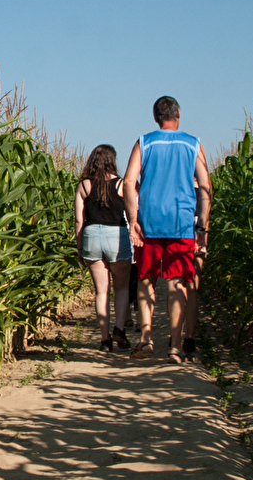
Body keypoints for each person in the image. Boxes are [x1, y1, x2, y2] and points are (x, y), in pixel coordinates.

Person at [123, 95, 212, 362]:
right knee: (177, 282)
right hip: (181, 222)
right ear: (179, 113)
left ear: (155, 117)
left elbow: (129, 182)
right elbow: (205, 188)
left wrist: (134, 220)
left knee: (146, 279)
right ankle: (175, 345)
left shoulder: (145, 142)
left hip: (150, 221)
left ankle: (146, 340)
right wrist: (202, 228)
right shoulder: (193, 143)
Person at [72, 144, 132, 352]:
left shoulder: (84, 186)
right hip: (117, 235)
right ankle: (120, 328)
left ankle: (105, 340)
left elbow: (79, 221)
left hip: (92, 236)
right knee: (121, 287)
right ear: (112, 161)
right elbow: (133, 215)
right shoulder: (122, 185)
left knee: (101, 291)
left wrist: (80, 249)